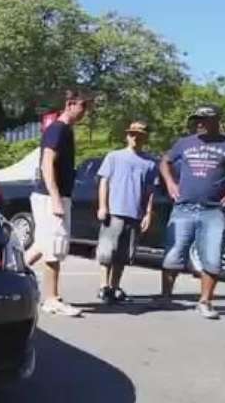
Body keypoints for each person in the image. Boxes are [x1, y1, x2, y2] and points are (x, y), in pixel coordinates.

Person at [157, 105, 225, 319]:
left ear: (216, 120)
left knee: (212, 257)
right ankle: (165, 297)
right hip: (183, 208)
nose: (200, 123)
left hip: (213, 211)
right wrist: (170, 183)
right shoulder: (184, 143)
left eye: (204, 119)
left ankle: (205, 302)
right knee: (173, 254)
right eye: (197, 120)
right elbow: (165, 162)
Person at [25, 89, 92, 317]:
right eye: (83, 106)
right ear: (70, 104)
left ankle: (6, 279)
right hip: (50, 196)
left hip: (56, 195)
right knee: (54, 247)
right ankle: (51, 299)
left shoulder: (66, 130)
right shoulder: (58, 129)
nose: (85, 112)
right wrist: (55, 198)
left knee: (42, 244)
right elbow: (47, 163)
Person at [96, 121, 158, 305]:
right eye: (132, 134)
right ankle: (103, 287)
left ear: (145, 138)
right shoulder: (114, 157)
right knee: (107, 252)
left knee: (123, 255)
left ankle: (115, 287)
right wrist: (102, 206)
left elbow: (150, 191)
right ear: (127, 136)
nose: (135, 137)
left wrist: (148, 213)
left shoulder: (150, 163)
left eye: (140, 135)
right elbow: (104, 182)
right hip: (114, 212)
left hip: (135, 214)